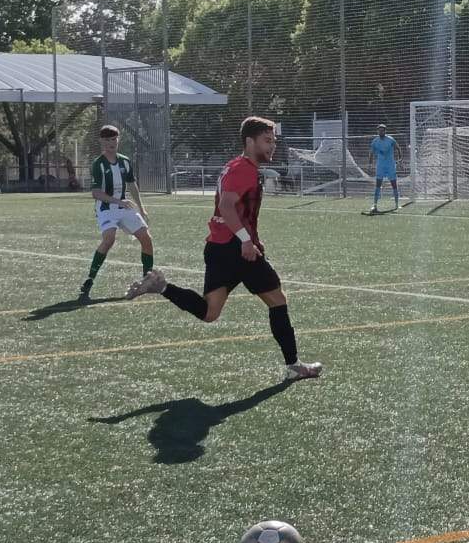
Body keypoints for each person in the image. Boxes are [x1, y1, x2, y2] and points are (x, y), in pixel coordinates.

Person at [129, 116, 322, 380]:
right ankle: (294, 367)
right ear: (250, 141)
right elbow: (227, 206)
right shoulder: (244, 169)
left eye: (274, 141)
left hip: (218, 247)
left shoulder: (234, 166)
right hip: (237, 249)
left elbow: (235, 210)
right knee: (278, 300)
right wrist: (246, 240)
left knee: (210, 312)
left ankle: (162, 287)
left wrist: (251, 237)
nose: (272, 146)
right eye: (267, 140)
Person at [79, 124, 155, 300]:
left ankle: (147, 280)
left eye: (114, 139)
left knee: (146, 238)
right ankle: (90, 279)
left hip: (124, 207)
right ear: (101, 141)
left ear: (118, 140)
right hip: (106, 208)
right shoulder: (98, 164)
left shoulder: (125, 161)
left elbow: (132, 185)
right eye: (107, 140)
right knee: (109, 239)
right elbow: (96, 193)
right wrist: (119, 201)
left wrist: (141, 207)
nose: (111, 143)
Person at [368, 125, 401, 213]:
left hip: (390, 165)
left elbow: (398, 148)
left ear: (385, 131)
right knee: (378, 184)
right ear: (377, 131)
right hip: (380, 166)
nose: (381, 132)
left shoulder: (390, 139)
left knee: (394, 184)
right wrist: (370, 164)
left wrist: (400, 159)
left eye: (382, 130)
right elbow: (371, 153)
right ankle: (375, 205)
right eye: (379, 130)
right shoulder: (375, 141)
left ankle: (397, 204)